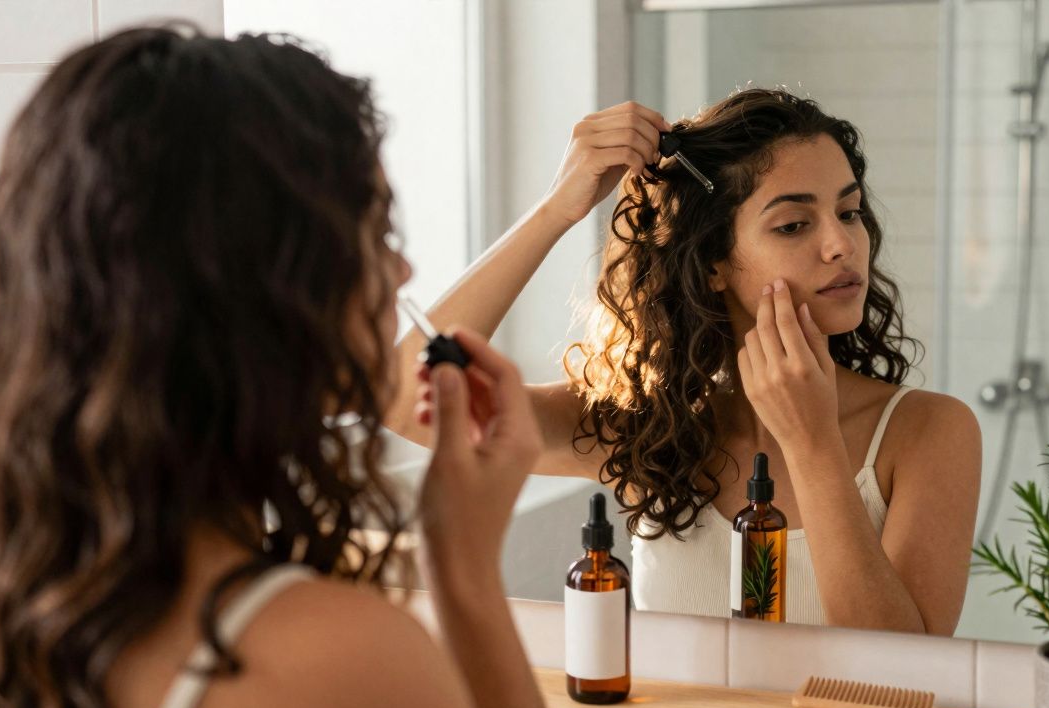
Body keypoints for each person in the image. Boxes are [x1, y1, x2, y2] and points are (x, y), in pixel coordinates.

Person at [0, 27, 553, 708]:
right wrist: (465, 574)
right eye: (377, 229)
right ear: (272, 284)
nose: (403, 271)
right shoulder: (339, 665)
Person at [388, 89, 982, 634]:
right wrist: (556, 211)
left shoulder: (927, 433)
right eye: (795, 224)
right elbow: (403, 401)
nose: (842, 244)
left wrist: (813, 443)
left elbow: (906, 673)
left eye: (849, 212)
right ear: (712, 264)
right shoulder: (652, 427)